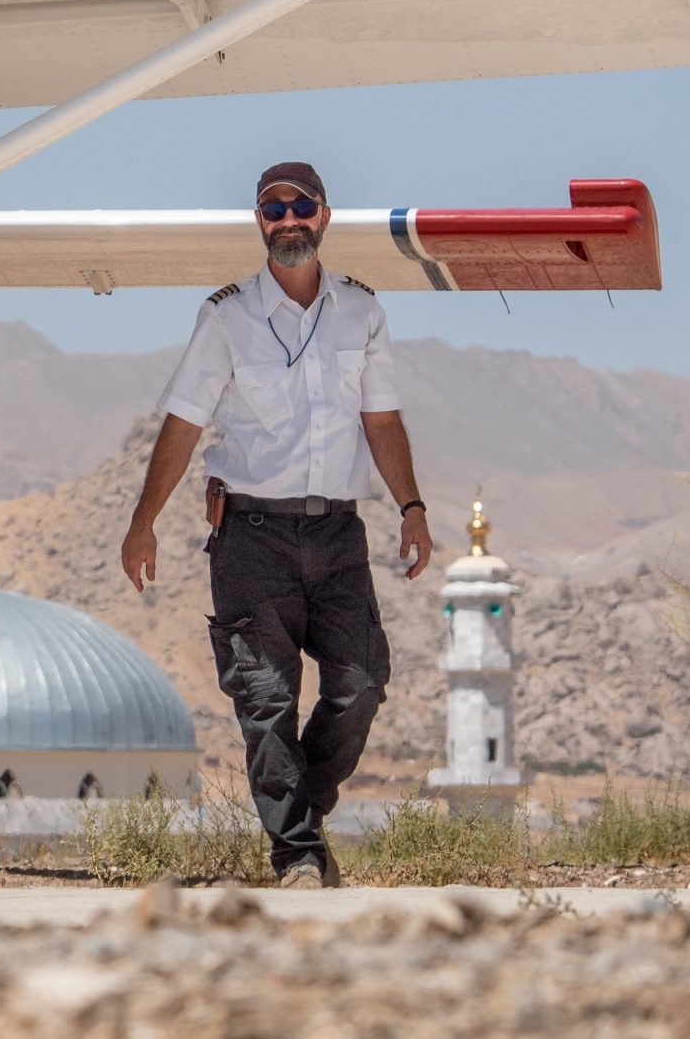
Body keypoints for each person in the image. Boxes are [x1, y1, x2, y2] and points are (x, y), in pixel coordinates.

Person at [119, 161, 435, 888]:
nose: (288, 220)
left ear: (324, 216)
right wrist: (144, 521)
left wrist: (412, 507)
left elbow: (382, 421)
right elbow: (182, 424)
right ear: (259, 222)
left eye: (301, 207)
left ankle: (304, 809)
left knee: (362, 682)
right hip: (251, 538)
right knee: (265, 700)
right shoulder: (225, 317)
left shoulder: (362, 311)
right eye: (273, 210)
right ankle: (297, 855)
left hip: (338, 535)